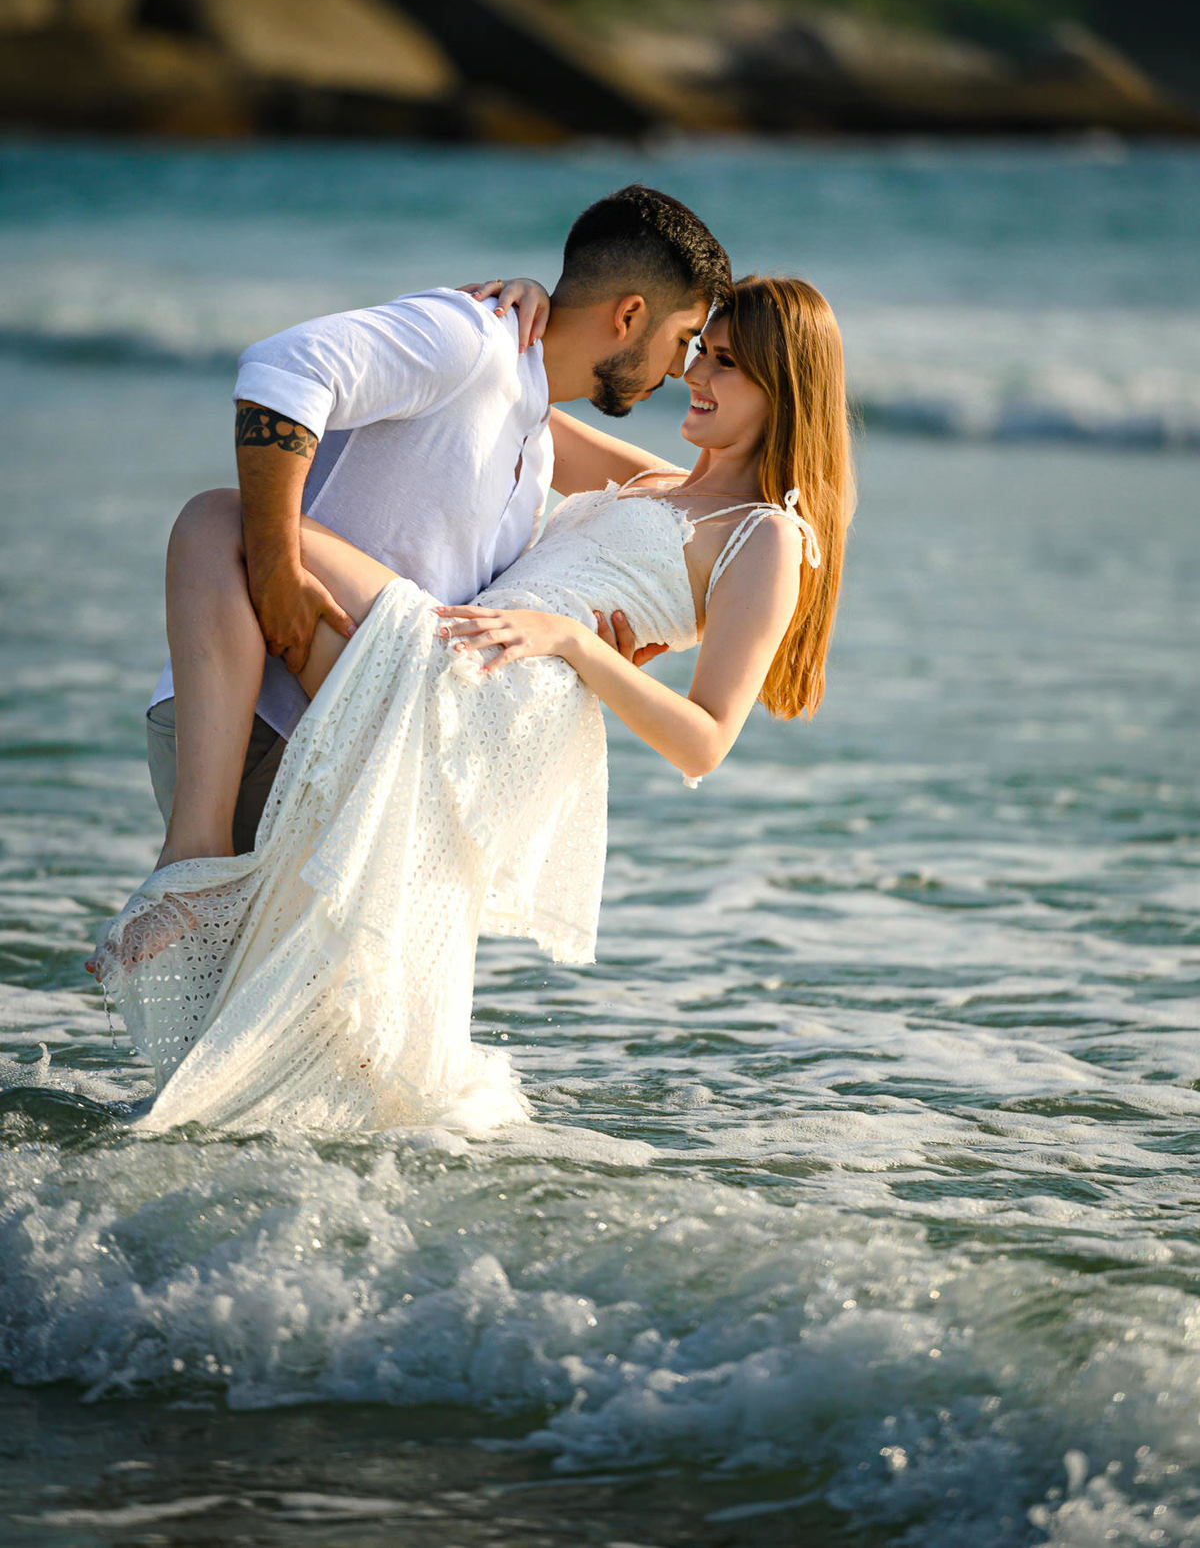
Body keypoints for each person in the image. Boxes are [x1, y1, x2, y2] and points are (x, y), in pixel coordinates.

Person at [89, 277, 855, 1135]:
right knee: (218, 528)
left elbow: (706, 740)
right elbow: (520, 395)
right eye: (698, 351)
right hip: (467, 656)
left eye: (725, 365)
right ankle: (197, 868)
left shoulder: (769, 537)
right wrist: (526, 303)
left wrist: (578, 644)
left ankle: (191, 863)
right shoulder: (656, 482)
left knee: (225, 521)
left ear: (785, 389)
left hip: (501, 697)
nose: (694, 376)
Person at [145, 185, 729, 859]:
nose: (682, 372)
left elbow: (690, 503)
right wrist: (278, 567)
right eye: (685, 340)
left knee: (256, 968)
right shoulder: (471, 337)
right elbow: (284, 368)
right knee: (214, 946)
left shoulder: (533, 432)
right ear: (630, 313)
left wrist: (593, 652)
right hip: (257, 711)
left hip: (352, 733)